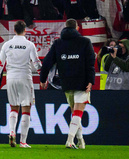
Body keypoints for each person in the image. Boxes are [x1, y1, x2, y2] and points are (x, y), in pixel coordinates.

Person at [40, 18, 95, 149]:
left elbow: (47, 62)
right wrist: (91, 80)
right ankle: (70, 141)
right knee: (77, 112)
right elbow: (90, 62)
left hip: (66, 82)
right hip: (82, 81)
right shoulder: (85, 42)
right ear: (77, 28)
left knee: (75, 112)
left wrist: (42, 79)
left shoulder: (58, 43)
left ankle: (80, 141)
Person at [0, 20, 40, 148]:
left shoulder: (7, 45)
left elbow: (0, 64)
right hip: (25, 78)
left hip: (10, 78)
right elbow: (36, 63)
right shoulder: (29, 44)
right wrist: (43, 77)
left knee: (13, 107)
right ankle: (23, 141)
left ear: (14, 30)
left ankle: (11, 132)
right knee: (26, 108)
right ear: (25, 30)